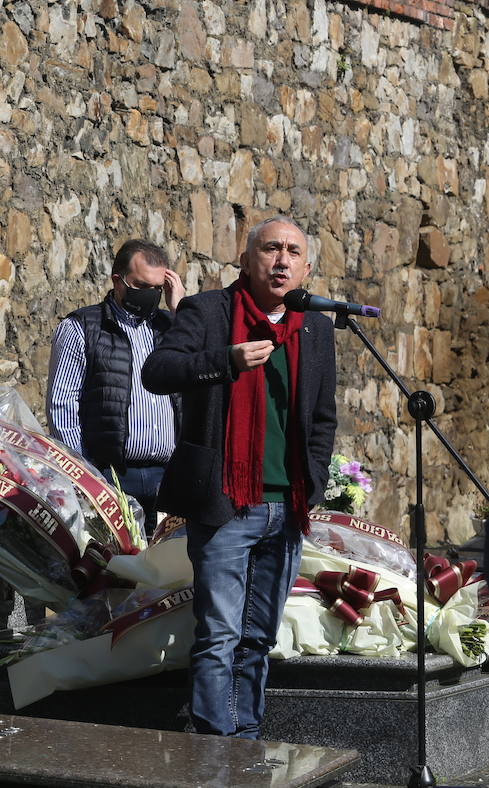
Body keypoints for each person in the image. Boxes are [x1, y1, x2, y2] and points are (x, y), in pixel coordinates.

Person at [142, 216, 337, 739]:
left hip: (286, 507)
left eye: (293, 252)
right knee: (219, 634)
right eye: (270, 249)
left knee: (258, 637)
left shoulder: (316, 326)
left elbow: (322, 417)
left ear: (306, 267)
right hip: (226, 501)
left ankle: (245, 739)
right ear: (246, 260)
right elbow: (157, 371)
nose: (281, 260)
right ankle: (213, 747)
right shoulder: (207, 312)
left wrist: (313, 482)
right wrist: (225, 360)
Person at [46, 240, 185, 537]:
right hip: (112, 476)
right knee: (117, 570)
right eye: (141, 285)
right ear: (117, 281)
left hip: (169, 477)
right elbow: (63, 406)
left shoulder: (171, 328)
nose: (149, 295)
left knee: (166, 575)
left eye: (156, 288)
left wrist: (181, 313)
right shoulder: (82, 326)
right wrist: (87, 475)